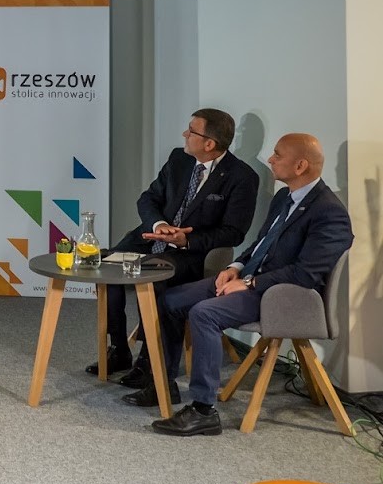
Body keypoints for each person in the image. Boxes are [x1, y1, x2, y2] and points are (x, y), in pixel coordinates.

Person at [149, 132, 353, 436]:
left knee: (204, 313)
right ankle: (163, 383)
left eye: (278, 155)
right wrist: (235, 268)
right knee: (171, 299)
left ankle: (203, 410)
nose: (270, 159)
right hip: (253, 280)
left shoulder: (329, 212)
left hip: (281, 295)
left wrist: (250, 282)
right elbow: (260, 245)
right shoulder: (284, 198)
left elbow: (306, 274)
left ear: (300, 166)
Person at [86, 109, 258, 404]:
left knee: (155, 280)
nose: (184, 135)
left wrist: (186, 239)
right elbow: (148, 198)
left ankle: (150, 364)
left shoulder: (242, 177)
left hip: (192, 253)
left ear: (209, 143)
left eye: (191, 131)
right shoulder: (179, 159)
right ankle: (119, 350)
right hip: (151, 237)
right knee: (108, 268)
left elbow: (234, 232)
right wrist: (159, 225)